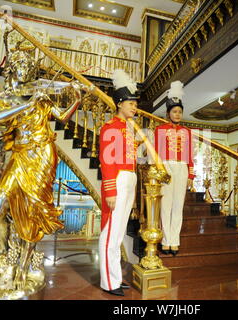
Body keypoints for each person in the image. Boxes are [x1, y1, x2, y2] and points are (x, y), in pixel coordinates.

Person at [0, 48, 82, 298]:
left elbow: (62, 117)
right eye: (20, 66)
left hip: (42, 155)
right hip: (20, 155)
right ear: (14, 69)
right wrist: (28, 104)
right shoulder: (8, 96)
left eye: (28, 67)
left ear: (32, 71)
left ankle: (23, 263)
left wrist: (76, 98)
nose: (24, 70)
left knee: (32, 210)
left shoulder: (41, 98)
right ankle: (2, 250)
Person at [98, 70, 139, 296]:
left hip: (129, 180)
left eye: (135, 104)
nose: (134, 108)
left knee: (119, 232)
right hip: (118, 180)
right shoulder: (110, 128)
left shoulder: (129, 129)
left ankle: (115, 276)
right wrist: (111, 190)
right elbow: (107, 162)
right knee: (110, 233)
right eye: (131, 104)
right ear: (120, 104)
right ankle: (108, 281)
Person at [154, 81, 195, 256]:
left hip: (182, 168)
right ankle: (165, 241)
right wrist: (160, 170)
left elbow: (190, 153)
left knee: (178, 206)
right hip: (167, 166)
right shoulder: (160, 130)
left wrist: (191, 174)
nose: (177, 114)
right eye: (174, 111)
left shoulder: (187, 131)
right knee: (166, 205)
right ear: (168, 113)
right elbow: (155, 153)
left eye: (179, 112)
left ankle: (174, 241)